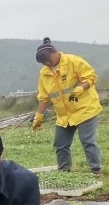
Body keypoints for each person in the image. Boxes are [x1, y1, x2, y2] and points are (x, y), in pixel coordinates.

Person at [32, 37, 103, 176]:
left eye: (48, 60)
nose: (47, 63)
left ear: (54, 53)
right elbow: (44, 97)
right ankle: (64, 173)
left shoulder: (73, 61)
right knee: (60, 144)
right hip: (64, 115)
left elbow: (91, 77)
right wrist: (38, 117)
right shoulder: (44, 73)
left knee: (87, 140)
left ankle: (96, 171)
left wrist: (81, 89)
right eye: (43, 62)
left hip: (85, 109)